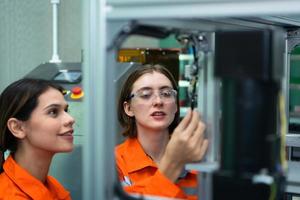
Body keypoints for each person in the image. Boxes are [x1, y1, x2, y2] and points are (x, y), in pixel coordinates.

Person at [116, 64, 209, 200]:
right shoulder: (115, 163)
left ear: (176, 105)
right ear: (128, 108)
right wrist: (172, 165)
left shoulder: (198, 157)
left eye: (166, 94)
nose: (158, 101)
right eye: (146, 95)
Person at [0, 78, 75, 199]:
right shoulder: (9, 195)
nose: (70, 119)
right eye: (53, 112)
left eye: (66, 110)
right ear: (17, 128)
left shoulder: (53, 187)